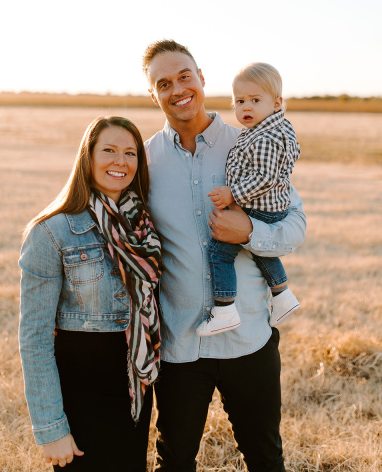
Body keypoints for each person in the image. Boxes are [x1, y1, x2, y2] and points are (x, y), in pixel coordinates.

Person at [143, 40, 306, 472]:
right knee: (174, 461)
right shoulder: (143, 161)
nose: (177, 89)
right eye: (163, 83)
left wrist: (249, 231)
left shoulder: (252, 142)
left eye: (184, 76)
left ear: (201, 78)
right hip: (181, 347)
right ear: (152, 94)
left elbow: (294, 227)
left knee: (265, 459)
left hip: (250, 338)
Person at [19, 116, 162, 471]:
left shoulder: (143, 228)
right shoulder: (52, 232)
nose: (121, 161)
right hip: (81, 396)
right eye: (109, 150)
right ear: (88, 156)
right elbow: (34, 338)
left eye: (130, 153)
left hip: (134, 392)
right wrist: (51, 428)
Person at [196, 62, 300, 337]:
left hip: (260, 208)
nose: (246, 108)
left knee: (220, 252)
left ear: (276, 103)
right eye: (240, 101)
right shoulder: (275, 129)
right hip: (268, 207)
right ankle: (283, 295)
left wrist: (233, 193)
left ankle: (225, 309)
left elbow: (266, 177)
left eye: (255, 100)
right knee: (259, 251)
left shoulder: (264, 137)